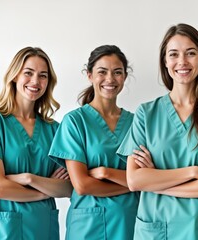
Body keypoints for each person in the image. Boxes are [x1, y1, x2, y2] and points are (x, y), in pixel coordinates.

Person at [116, 23, 198, 240]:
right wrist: (193, 172)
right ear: (165, 61)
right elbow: (134, 180)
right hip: (158, 230)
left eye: (191, 53)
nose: (182, 61)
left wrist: (158, 183)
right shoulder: (146, 114)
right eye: (174, 54)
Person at [0, 47, 72, 240]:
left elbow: (68, 188)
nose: (35, 81)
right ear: (15, 76)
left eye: (43, 75)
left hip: (43, 228)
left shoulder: (55, 130)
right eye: (28, 73)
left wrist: (27, 178)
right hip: (3, 230)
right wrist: (45, 191)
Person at [48, 45, 139, 240]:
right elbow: (82, 185)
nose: (110, 79)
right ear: (89, 75)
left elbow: (147, 176)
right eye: (102, 72)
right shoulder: (75, 122)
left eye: (117, 72)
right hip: (88, 227)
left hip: (129, 223)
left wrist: (106, 173)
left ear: (124, 76)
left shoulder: (136, 123)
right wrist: (132, 184)